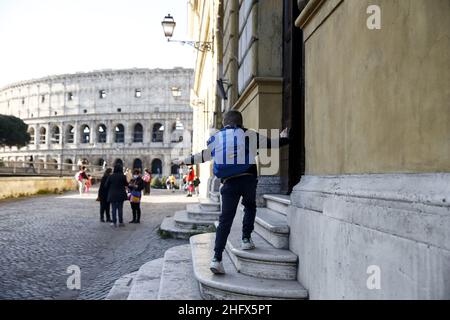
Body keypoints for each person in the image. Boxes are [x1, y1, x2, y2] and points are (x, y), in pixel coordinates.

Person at [180, 110, 289, 274]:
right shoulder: (247, 134)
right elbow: (272, 144)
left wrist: (185, 161)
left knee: (225, 220)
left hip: (228, 183)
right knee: (250, 206)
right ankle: (246, 239)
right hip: (247, 179)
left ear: (224, 124)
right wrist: (284, 137)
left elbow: (203, 156)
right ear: (241, 122)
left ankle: (216, 259)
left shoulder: (217, 138)